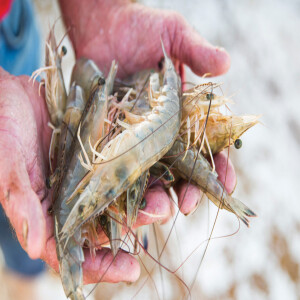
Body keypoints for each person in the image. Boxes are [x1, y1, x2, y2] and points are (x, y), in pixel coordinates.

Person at [0, 0, 234, 291]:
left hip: (8, 22)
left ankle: (24, 277)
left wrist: (100, 9)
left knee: (25, 222)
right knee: (25, 203)